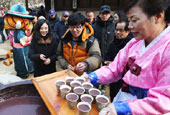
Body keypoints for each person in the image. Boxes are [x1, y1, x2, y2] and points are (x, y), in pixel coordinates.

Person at [85, 0, 170, 114]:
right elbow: (114, 69)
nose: (129, 26)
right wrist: (91, 78)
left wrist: (126, 109)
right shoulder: (134, 43)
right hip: (123, 100)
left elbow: (165, 99)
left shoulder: (167, 48)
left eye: (134, 20)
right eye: (129, 21)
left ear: (157, 16)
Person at [105, 18, 132, 102]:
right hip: (113, 79)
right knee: (113, 97)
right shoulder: (112, 43)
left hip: (125, 81)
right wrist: (107, 62)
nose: (117, 32)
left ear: (128, 31)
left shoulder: (131, 45)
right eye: (116, 30)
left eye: (121, 30)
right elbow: (106, 57)